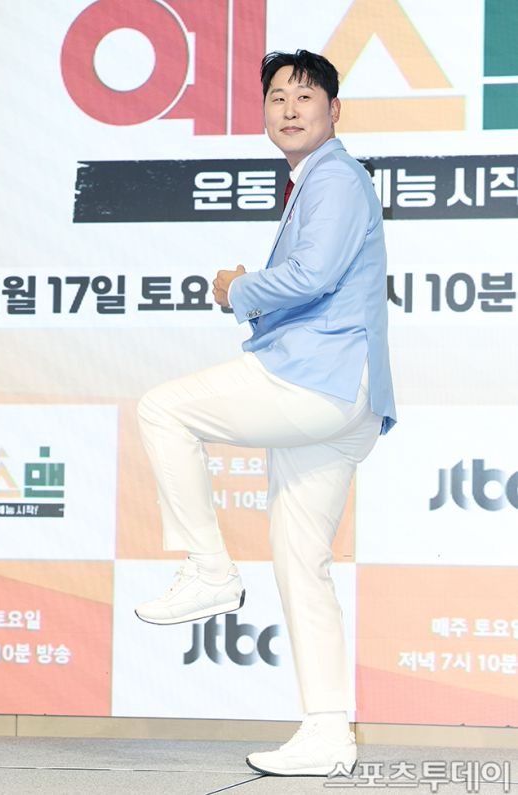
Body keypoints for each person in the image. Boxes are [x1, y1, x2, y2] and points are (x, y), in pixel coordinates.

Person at [136, 49, 396, 778]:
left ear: (334, 111)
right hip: (345, 396)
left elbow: (313, 275)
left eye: (305, 96)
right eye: (277, 97)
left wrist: (238, 289)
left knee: (162, 410)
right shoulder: (319, 180)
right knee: (302, 562)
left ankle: (209, 570)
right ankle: (328, 732)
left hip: (317, 379)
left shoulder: (334, 177)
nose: (289, 108)